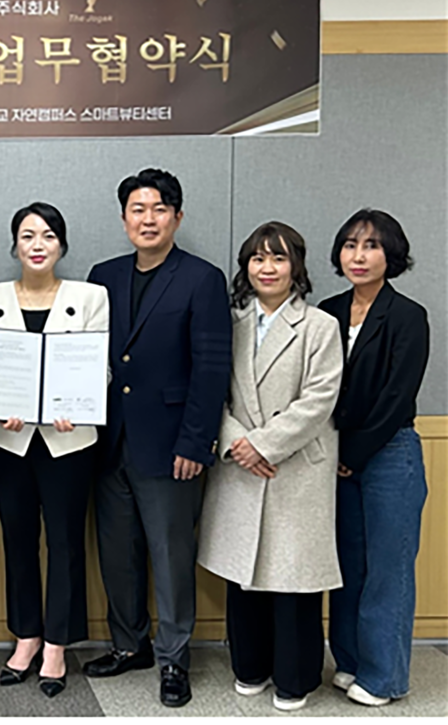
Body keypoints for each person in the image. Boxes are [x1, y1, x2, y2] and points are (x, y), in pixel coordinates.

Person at [83, 168, 232, 707]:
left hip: (172, 446)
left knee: (171, 556)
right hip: (108, 441)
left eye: (159, 209)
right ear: (124, 218)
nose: (148, 219)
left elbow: (211, 368)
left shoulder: (202, 278)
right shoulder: (102, 276)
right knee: (116, 553)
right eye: (138, 209)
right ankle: (130, 645)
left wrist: (195, 443)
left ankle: (174, 658)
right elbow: (85, 355)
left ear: (177, 217)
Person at [197, 222, 343, 711]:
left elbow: (319, 399)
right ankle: (250, 666)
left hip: (294, 467)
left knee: (293, 579)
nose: (267, 268)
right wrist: (236, 443)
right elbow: (210, 389)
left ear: (296, 266)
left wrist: (263, 445)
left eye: (278, 258)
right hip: (239, 463)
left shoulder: (320, 326)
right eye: (258, 258)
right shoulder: (229, 322)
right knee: (243, 573)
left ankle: (295, 679)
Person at [0, 203, 109, 698]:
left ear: (62, 245)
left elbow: (100, 367)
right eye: (27, 235)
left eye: (48, 235)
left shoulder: (90, 297)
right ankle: (26, 636)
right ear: (14, 245)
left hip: (68, 439)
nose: (37, 244)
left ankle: (57, 645)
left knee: (66, 542)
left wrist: (78, 402)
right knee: (18, 538)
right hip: (8, 439)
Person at [318, 210, 429, 707]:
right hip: (336, 455)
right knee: (347, 565)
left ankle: (384, 677)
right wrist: (338, 454)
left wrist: (354, 453)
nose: (358, 256)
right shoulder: (328, 311)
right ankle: (350, 661)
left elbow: (397, 395)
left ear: (392, 255)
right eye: (350, 245)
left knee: (388, 568)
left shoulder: (407, 315)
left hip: (389, 454)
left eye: (371, 245)